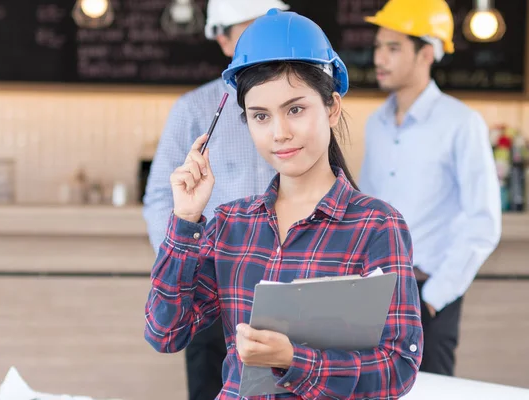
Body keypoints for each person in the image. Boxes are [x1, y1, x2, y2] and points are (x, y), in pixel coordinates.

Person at [145, 9, 423, 399]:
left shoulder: (376, 226)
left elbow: (398, 369)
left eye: (295, 109)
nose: (280, 133)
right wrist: (186, 220)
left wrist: (295, 359)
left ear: (332, 107)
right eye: (261, 116)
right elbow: (165, 332)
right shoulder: (229, 224)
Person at [142, 1, 290, 398]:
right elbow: (160, 196)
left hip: (288, 291)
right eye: (250, 30)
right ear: (223, 39)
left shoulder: (299, 107)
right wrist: (187, 271)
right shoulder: (194, 109)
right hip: (214, 293)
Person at [360, 0, 502, 377]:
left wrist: (434, 300)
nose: (379, 58)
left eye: (393, 48)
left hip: (430, 296)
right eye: (377, 47)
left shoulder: (461, 124)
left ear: (426, 53)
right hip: (377, 296)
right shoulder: (376, 124)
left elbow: (483, 222)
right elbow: (368, 213)